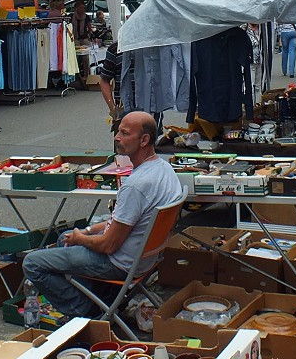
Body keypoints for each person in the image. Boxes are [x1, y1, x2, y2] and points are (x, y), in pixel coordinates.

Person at [22, 111, 183, 317]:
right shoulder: (164, 169)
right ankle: (102, 300)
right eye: (118, 132)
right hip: (143, 257)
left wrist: (82, 238)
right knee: (65, 238)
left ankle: (84, 310)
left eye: (124, 133)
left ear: (144, 140)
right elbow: (122, 222)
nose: (117, 137)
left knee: (32, 263)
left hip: (120, 264)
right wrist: (88, 230)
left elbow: (108, 245)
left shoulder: (136, 186)